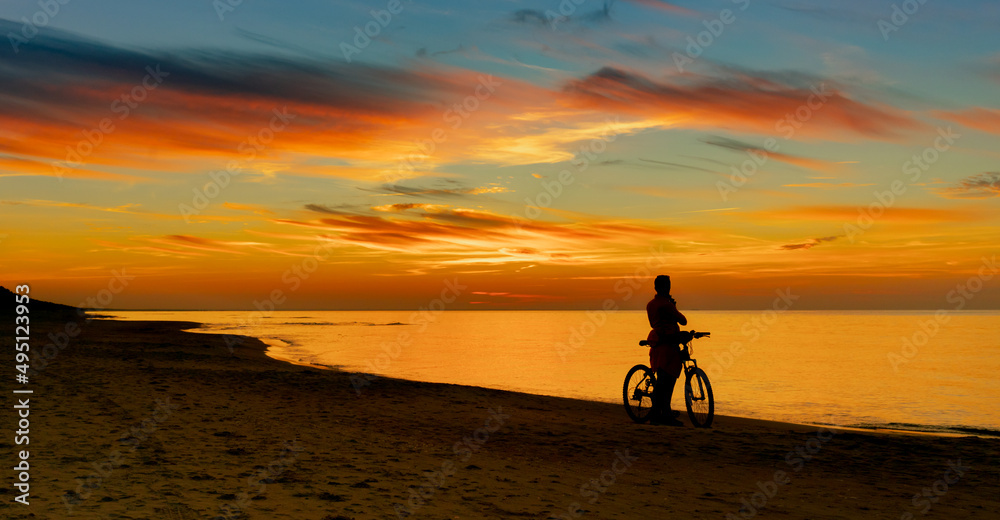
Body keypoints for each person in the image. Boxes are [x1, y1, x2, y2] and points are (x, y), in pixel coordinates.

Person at [645, 275, 687, 426]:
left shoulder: (650, 304)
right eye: (668, 285)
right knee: (667, 380)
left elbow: (653, 323)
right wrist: (673, 306)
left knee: (663, 380)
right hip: (668, 344)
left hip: (658, 342)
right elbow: (683, 321)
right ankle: (663, 413)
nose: (669, 288)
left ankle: (661, 412)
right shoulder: (667, 305)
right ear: (665, 287)